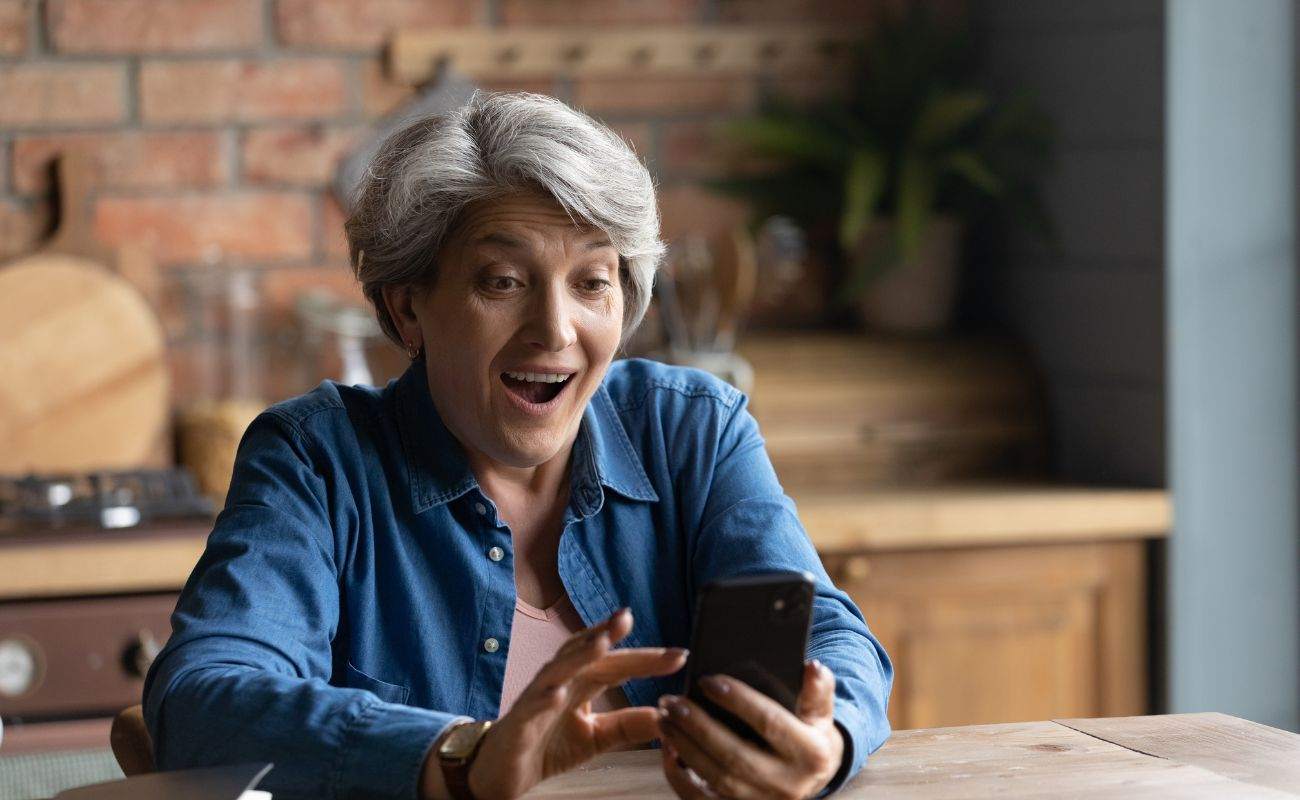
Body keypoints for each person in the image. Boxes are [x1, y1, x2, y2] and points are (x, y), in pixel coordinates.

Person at [143, 92, 892, 800]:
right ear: (409, 310)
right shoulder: (316, 458)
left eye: (592, 282)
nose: (556, 330)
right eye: (503, 282)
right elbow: (203, 702)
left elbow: (830, 634)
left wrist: (826, 739)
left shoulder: (691, 428)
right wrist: (461, 757)